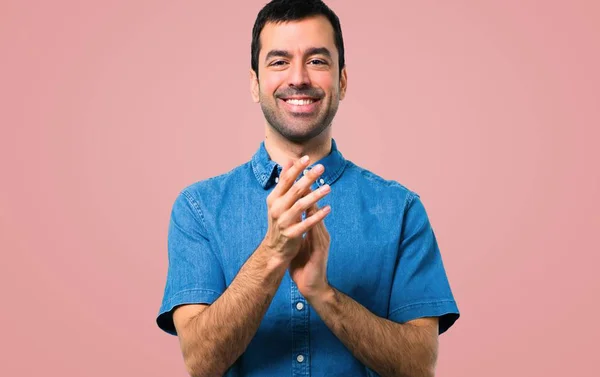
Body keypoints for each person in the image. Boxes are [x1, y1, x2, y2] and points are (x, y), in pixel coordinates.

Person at [156, 0, 460, 376]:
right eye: (279, 61)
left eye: (317, 61)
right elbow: (200, 362)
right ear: (254, 83)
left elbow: (420, 367)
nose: (298, 77)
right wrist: (272, 253)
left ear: (342, 81)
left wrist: (323, 295)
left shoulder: (400, 210)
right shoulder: (197, 208)